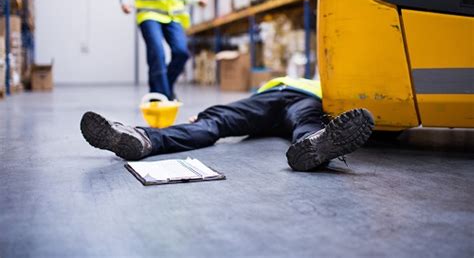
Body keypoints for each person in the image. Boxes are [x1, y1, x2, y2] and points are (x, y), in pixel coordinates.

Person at [80, 77, 375, 171]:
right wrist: (208, 113)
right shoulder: (297, 80)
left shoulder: (327, 77)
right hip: (279, 99)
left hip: (296, 100)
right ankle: (139, 139)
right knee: (215, 120)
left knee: (218, 122)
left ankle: (317, 146)